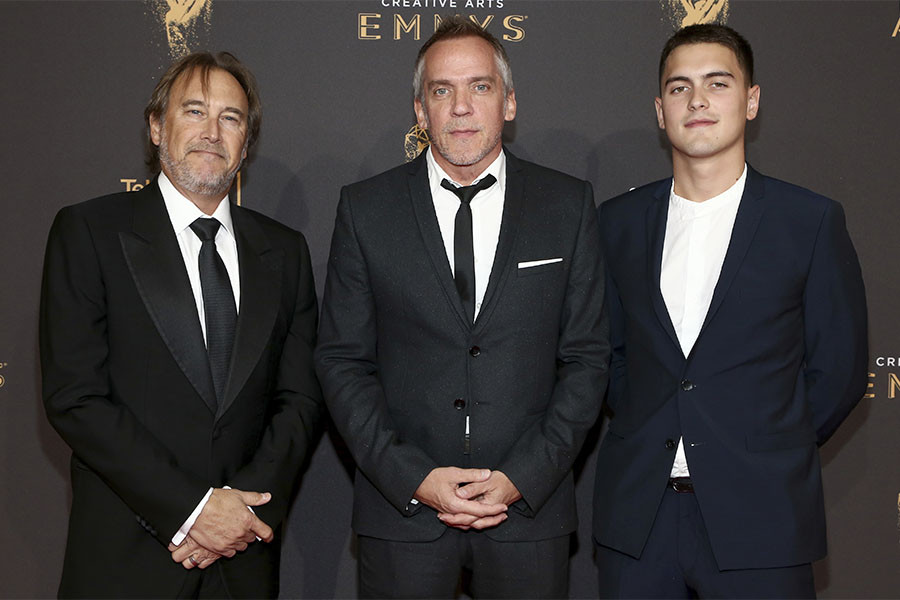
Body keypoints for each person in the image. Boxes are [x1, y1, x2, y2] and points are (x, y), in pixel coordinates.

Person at [315, 16, 608, 599]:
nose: (461, 107)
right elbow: (343, 361)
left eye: (480, 86)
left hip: (528, 516)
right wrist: (414, 478)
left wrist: (521, 479)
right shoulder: (365, 210)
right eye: (441, 91)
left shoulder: (567, 206)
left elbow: (587, 360)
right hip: (402, 516)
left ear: (509, 102)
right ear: (420, 111)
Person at [592, 24, 868, 598]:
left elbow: (838, 372)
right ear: (660, 111)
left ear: (751, 100)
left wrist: (761, 448)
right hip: (639, 523)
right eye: (679, 87)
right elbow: (608, 358)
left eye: (717, 83)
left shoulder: (809, 222)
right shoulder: (616, 224)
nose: (697, 100)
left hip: (763, 520)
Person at [40, 51, 321, 598]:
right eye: (194, 111)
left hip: (243, 562)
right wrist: (194, 511)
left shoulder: (285, 252)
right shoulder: (90, 232)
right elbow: (76, 397)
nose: (212, 132)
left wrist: (237, 516)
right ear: (155, 126)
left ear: (247, 140)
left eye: (231, 118)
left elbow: (300, 401)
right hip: (127, 561)